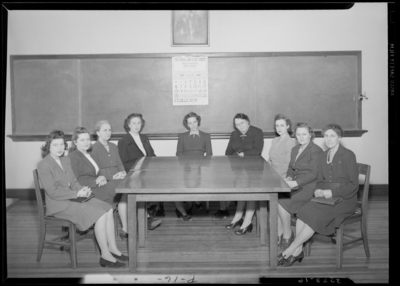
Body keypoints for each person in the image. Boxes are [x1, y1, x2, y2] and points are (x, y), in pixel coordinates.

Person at [37, 130, 127, 268]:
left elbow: (73, 181)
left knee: (108, 208)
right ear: (48, 146)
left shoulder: (65, 159)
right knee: (100, 214)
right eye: (55, 145)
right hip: (58, 204)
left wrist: (81, 190)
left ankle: (113, 248)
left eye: (61, 144)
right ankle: (105, 255)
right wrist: (77, 194)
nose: (60, 148)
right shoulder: (44, 164)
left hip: (72, 198)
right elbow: (53, 192)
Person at [278, 124, 359, 267]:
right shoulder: (323, 155)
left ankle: (291, 250)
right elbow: (320, 180)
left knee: (315, 216)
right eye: (326, 136)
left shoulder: (348, 155)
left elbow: (353, 185)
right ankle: (298, 251)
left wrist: (331, 192)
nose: (329, 139)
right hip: (327, 197)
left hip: (345, 200)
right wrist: (319, 190)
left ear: (339, 137)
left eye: (332, 136)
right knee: (303, 209)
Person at [277, 122, 323, 251]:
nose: (301, 137)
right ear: (295, 136)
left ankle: (287, 234)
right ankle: (283, 232)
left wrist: (295, 183)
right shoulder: (295, 149)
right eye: (298, 134)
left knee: (282, 201)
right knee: (277, 197)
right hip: (296, 183)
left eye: (304, 134)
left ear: (310, 135)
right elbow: (291, 168)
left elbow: (314, 173)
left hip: (310, 186)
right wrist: (290, 177)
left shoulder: (316, 150)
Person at [118, 113, 162, 229]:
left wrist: (158, 166)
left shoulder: (144, 137)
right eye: (134, 123)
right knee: (139, 190)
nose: (137, 126)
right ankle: (145, 219)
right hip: (133, 174)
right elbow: (124, 162)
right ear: (128, 125)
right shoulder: (123, 141)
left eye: (139, 123)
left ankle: (147, 216)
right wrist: (135, 173)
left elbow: (151, 155)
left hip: (146, 172)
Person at [224, 113, 264, 234]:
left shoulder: (257, 132)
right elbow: (228, 152)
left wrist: (242, 154)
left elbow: (257, 151)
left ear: (248, 122)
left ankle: (247, 222)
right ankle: (237, 218)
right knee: (240, 192)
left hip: (253, 168)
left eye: (242, 123)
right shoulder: (234, 134)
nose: (240, 126)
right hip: (238, 169)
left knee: (250, 193)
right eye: (237, 124)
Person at [90, 120, 128, 240]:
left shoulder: (113, 146)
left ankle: (125, 229)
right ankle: (123, 228)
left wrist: (123, 173)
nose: (108, 132)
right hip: (105, 180)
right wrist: (112, 177)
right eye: (104, 130)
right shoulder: (93, 148)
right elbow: (95, 170)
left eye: (109, 130)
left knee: (127, 192)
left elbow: (119, 163)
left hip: (118, 177)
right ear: (98, 132)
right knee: (122, 192)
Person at [175, 112, 213, 221]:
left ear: (198, 122)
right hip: (186, 167)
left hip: (200, 167)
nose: (193, 125)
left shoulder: (206, 136)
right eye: (190, 123)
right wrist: (188, 164)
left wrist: (200, 164)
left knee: (199, 181)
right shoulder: (182, 136)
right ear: (187, 125)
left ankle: (196, 201)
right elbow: (179, 153)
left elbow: (209, 154)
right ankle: (184, 207)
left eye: (195, 122)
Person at [268, 114, 296, 245]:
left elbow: (289, 164)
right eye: (277, 125)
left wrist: (275, 175)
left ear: (288, 126)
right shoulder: (274, 140)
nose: (279, 128)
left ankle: (287, 233)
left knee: (279, 202)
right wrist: (266, 171)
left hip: (284, 177)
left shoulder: (291, 142)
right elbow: (271, 160)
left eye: (282, 125)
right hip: (273, 175)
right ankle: (279, 232)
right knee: (274, 203)